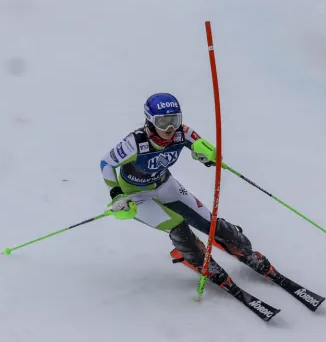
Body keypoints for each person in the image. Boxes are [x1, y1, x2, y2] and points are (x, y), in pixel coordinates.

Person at [99, 92, 273, 287]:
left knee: (209, 223)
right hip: (136, 195)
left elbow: (204, 151)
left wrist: (208, 156)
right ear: (150, 121)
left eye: (174, 120)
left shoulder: (183, 133)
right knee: (179, 227)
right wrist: (117, 196)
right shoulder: (135, 143)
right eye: (163, 122)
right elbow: (106, 163)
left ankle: (245, 250)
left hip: (165, 184)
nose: (170, 128)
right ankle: (203, 263)